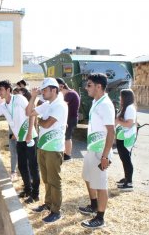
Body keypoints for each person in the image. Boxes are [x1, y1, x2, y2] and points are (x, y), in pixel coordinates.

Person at [26, 77, 68, 223]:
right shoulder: (47, 104)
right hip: (43, 146)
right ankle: (48, 204)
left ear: (54, 90)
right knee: (46, 179)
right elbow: (29, 112)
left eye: (45, 90)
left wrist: (39, 120)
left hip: (54, 148)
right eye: (42, 90)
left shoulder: (60, 105)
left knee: (54, 180)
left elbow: (47, 124)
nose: (42, 92)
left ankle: (56, 211)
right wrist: (32, 97)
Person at [78, 73, 115, 229]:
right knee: (87, 177)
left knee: (101, 184)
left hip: (101, 152)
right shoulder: (95, 101)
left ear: (99, 87)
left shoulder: (106, 104)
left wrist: (105, 156)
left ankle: (100, 218)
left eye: (89, 85)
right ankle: (93, 205)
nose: (87, 88)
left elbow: (111, 132)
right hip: (92, 148)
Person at [115, 89, 137, 191]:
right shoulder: (125, 107)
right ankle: (126, 178)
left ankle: (129, 183)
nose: (120, 98)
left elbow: (129, 123)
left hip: (126, 137)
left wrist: (118, 121)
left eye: (121, 96)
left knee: (126, 160)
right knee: (124, 159)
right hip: (121, 136)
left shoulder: (129, 108)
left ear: (126, 97)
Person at [56, 78, 81, 161]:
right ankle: (66, 154)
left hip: (71, 119)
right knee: (66, 136)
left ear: (61, 86)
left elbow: (61, 106)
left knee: (67, 137)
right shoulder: (70, 93)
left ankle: (68, 155)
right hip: (70, 118)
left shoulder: (69, 94)